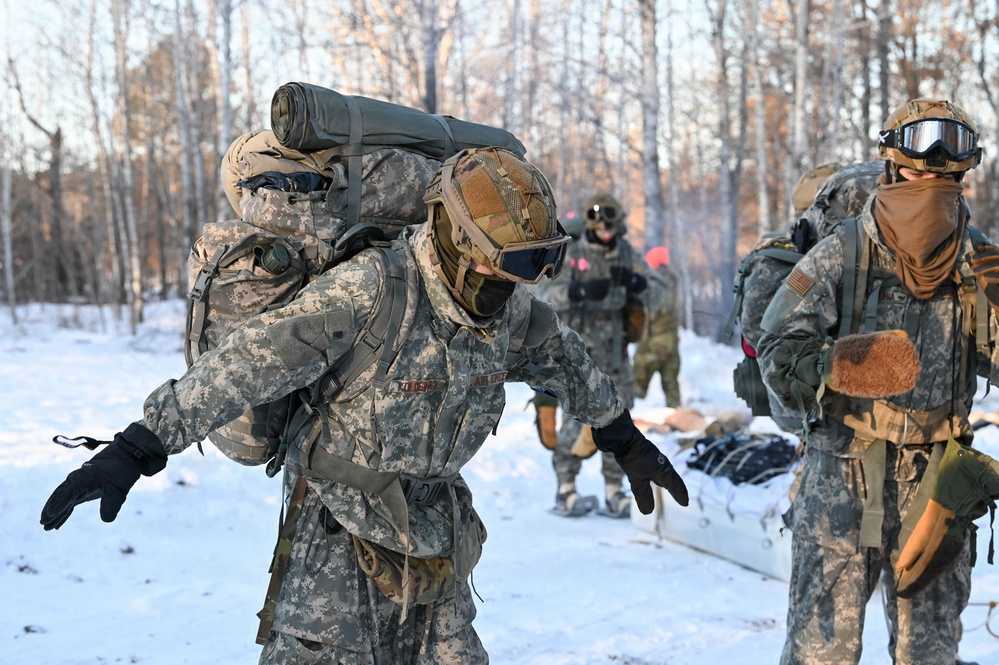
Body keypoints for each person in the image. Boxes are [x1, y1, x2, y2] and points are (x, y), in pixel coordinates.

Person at [39, 147, 688, 665]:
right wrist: (137, 445)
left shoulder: (508, 309)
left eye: (524, 272)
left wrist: (621, 435)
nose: (508, 289)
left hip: (435, 528)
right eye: (499, 270)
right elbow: (243, 365)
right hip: (336, 533)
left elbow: (566, 359)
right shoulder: (369, 291)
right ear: (457, 240)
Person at [756, 98, 991, 665]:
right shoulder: (843, 253)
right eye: (917, 165)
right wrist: (835, 365)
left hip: (937, 481)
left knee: (931, 653)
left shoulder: (979, 260)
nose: (931, 176)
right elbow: (776, 351)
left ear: (963, 171)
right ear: (891, 164)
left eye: (946, 167)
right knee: (821, 653)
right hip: (842, 471)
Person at [534, 193, 666, 518]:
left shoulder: (625, 254)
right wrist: (577, 292)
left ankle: (613, 490)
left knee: (619, 425)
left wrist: (637, 283)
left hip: (616, 357)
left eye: (610, 228)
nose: (605, 233)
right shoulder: (573, 253)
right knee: (571, 424)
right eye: (599, 227)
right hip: (577, 356)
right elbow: (543, 293)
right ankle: (566, 488)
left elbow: (659, 292)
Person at [633, 245, 683, 407]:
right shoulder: (674, 279)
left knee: (637, 385)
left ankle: (631, 421)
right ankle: (677, 421)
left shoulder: (656, 281)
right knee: (671, 385)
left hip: (653, 341)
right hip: (671, 339)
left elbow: (653, 310)